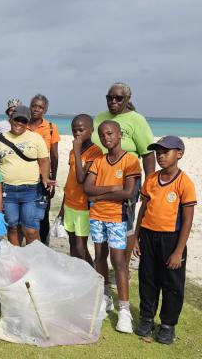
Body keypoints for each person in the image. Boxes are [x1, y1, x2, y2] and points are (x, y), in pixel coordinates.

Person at [133, 136, 196, 344]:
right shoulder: (151, 179)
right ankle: (147, 318)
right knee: (148, 279)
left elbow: (187, 220)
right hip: (148, 236)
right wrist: (136, 237)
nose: (160, 156)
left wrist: (178, 251)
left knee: (172, 284)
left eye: (165, 152)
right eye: (158, 152)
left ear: (179, 154)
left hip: (172, 239)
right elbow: (143, 209)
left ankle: (168, 325)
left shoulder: (184, 182)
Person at [84, 120, 141, 334]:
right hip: (97, 215)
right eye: (102, 134)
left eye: (110, 133)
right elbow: (88, 189)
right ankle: (105, 297)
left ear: (119, 135)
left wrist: (101, 195)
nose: (106, 137)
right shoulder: (99, 161)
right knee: (99, 255)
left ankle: (124, 310)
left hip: (118, 216)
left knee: (118, 260)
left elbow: (128, 193)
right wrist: (112, 188)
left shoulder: (130, 160)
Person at [93, 82, 156, 266]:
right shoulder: (100, 118)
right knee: (102, 221)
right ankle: (101, 267)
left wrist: (149, 183)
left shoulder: (137, 120)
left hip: (126, 179)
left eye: (118, 98)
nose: (113, 101)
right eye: (109, 97)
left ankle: (123, 266)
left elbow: (147, 153)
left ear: (127, 99)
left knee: (125, 223)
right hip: (101, 177)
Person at [0, 105, 54, 246]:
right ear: (11, 119)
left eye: (23, 121)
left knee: (31, 230)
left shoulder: (36, 138)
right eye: (16, 119)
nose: (19, 123)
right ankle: (18, 263)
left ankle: (36, 261)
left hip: (30, 190)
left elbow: (44, 160)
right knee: (13, 227)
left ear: (27, 123)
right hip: (7, 191)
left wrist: (45, 177)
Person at [60, 114, 102, 266]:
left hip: (83, 206)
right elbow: (71, 178)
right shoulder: (73, 151)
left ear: (91, 130)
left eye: (81, 130)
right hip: (69, 203)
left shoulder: (95, 152)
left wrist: (77, 151)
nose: (76, 133)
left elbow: (81, 178)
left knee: (81, 247)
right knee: (72, 244)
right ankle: (76, 274)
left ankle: (92, 276)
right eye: (74, 130)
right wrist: (62, 206)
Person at [27, 94, 61, 245]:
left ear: (45, 109)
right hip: (25, 176)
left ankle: (43, 246)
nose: (36, 109)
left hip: (44, 177)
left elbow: (54, 156)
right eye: (34, 106)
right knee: (25, 213)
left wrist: (51, 181)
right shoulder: (23, 125)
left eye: (40, 107)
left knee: (43, 214)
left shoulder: (51, 128)